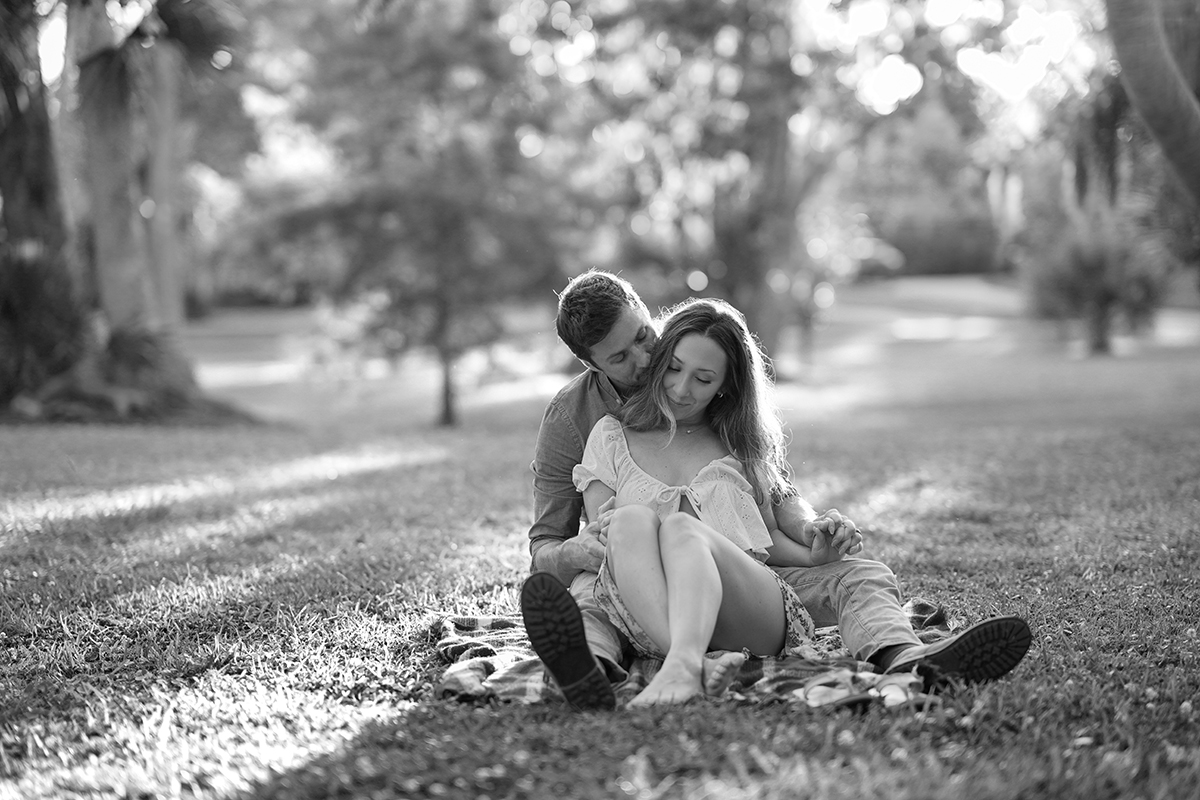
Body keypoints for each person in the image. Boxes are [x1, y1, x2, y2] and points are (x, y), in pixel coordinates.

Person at [520, 271, 1030, 708]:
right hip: (634, 579)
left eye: (645, 337)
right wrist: (575, 552)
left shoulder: (728, 428)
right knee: (591, 586)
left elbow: (774, 508)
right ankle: (591, 670)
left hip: (742, 579)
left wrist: (814, 535)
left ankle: (906, 656)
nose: (650, 362)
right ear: (592, 365)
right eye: (621, 357)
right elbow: (547, 544)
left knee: (851, 571)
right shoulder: (579, 423)